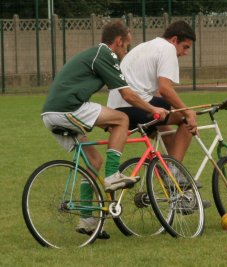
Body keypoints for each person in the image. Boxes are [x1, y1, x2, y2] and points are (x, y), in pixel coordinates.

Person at [41, 21, 168, 239]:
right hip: (68, 108)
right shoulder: (105, 54)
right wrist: (153, 108)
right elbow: (127, 95)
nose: (125, 52)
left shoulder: (94, 55)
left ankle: (87, 220)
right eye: (126, 46)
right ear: (118, 42)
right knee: (121, 118)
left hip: (50, 114)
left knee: (93, 161)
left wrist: (102, 122)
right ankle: (112, 175)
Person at [107, 20, 210, 207]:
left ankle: (181, 194)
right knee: (186, 120)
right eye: (185, 47)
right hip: (134, 105)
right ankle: (173, 176)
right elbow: (165, 89)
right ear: (174, 39)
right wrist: (188, 111)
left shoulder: (147, 46)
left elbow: (156, 93)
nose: (185, 53)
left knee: (166, 124)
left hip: (118, 107)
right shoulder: (168, 49)